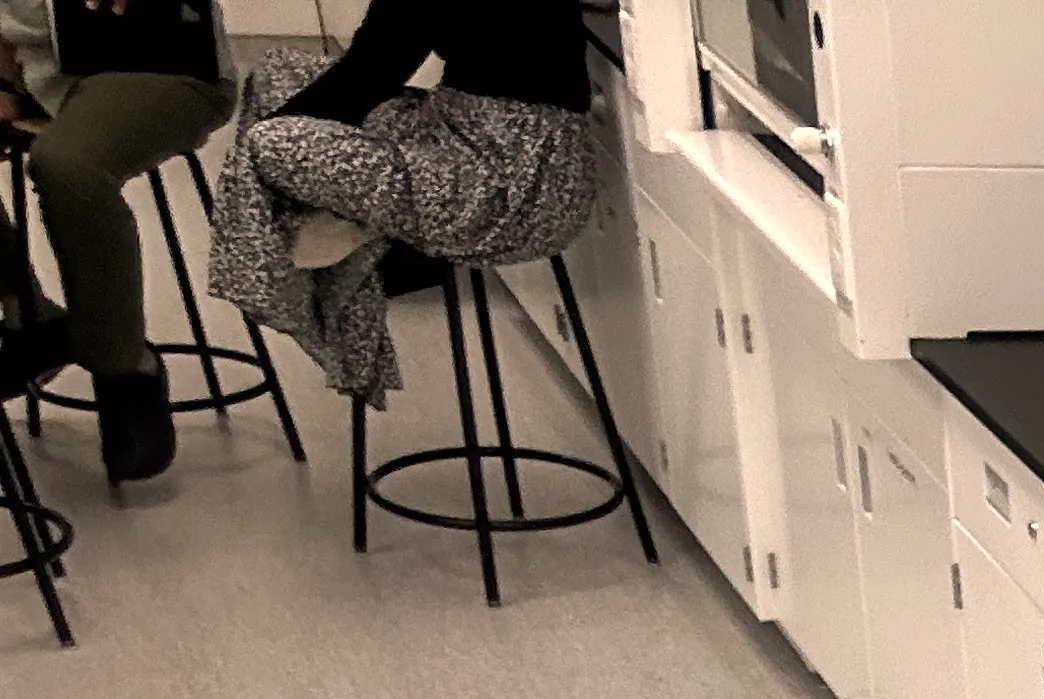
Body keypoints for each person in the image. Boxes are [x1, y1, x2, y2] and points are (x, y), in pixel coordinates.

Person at [205, 0, 600, 411]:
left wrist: (264, 158)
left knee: (267, 144)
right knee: (277, 76)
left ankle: (315, 265)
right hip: (518, 155)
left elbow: (371, 71)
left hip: (500, 191)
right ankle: (345, 227)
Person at [0, 0, 236, 484]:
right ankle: (27, 312)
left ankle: (125, 367)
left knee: (68, 165)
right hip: (29, 73)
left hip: (154, 64)